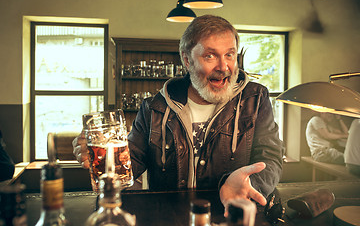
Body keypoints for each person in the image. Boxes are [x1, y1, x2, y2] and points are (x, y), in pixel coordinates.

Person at [73, 15, 284, 208]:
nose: (224, 66)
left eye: (229, 54)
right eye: (210, 56)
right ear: (186, 60)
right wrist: (100, 160)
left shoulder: (255, 98)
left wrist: (250, 184)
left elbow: (271, 158)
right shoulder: (153, 108)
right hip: (170, 217)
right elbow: (130, 165)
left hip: (231, 214)